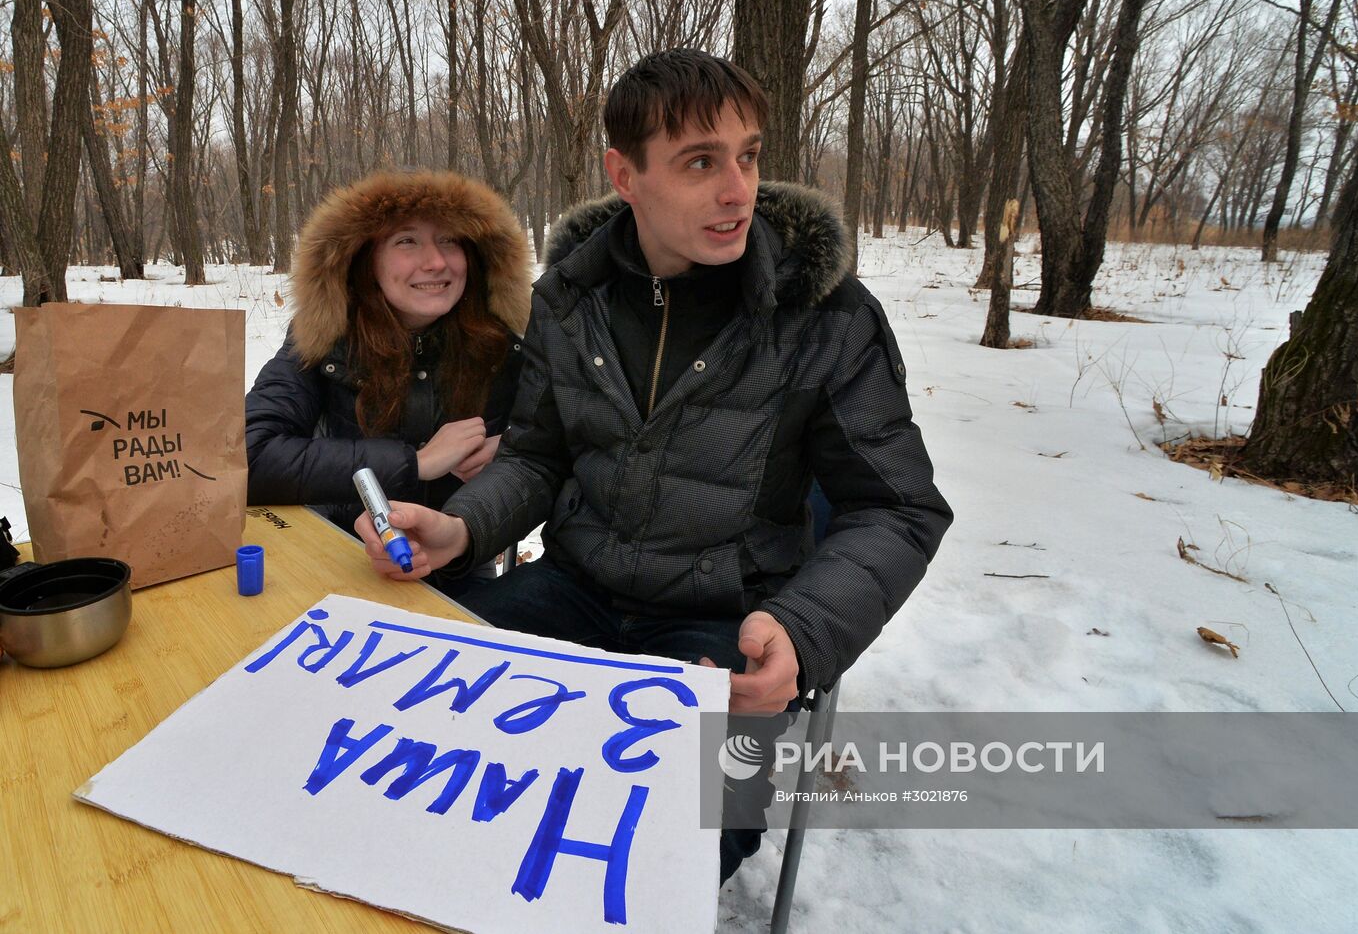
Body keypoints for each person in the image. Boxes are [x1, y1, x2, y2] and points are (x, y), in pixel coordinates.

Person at [356, 50, 953, 880]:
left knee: (663, 844)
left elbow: (899, 508)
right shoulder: (570, 296)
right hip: (569, 592)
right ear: (624, 174)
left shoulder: (824, 315)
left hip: (723, 626)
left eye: (747, 155)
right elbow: (537, 454)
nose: (737, 188)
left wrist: (803, 633)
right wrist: (462, 525)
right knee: (413, 760)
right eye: (700, 162)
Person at [246, 169, 533, 565]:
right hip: (339, 555)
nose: (435, 261)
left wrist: (511, 448)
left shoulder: (504, 345)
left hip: (460, 567)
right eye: (407, 241)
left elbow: (565, 439)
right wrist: (415, 463)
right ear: (366, 260)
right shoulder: (325, 340)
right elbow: (248, 455)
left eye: (449, 239)